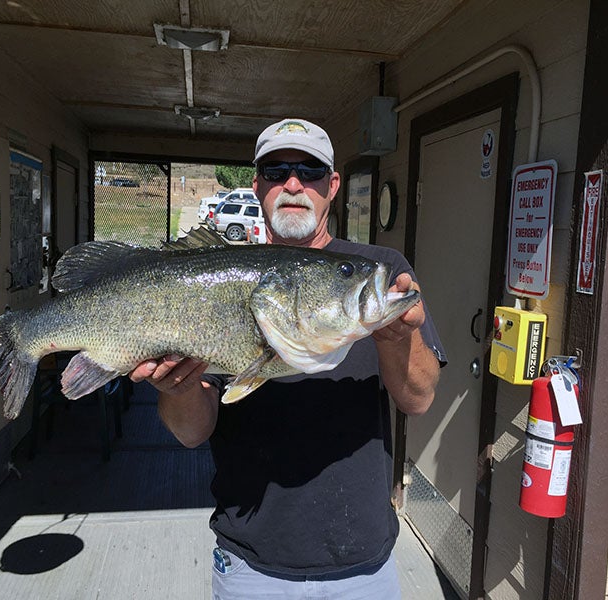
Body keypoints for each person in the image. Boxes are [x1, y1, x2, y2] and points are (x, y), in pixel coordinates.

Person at [130, 118, 446, 599]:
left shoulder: (380, 271)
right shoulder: (227, 278)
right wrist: (177, 388)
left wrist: (394, 340)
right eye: (276, 173)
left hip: (361, 565)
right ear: (257, 185)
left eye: (310, 171)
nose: (293, 184)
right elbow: (192, 432)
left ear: (332, 186)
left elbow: (419, 400)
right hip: (250, 564)